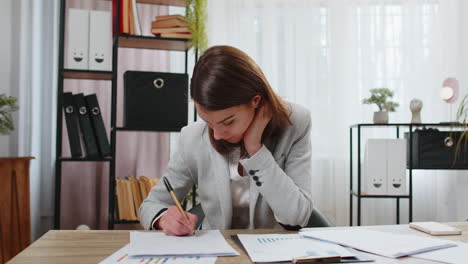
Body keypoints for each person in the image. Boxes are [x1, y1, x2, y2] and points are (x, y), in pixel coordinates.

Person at [139, 45, 313, 236]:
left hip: (274, 250)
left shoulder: (295, 124)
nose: (217, 135)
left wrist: (255, 150)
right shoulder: (193, 137)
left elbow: (297, 216)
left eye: (228, 122)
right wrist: (164, 218)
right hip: (216, 251)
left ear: (256, 101)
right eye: (208, 122)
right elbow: (151, 204)